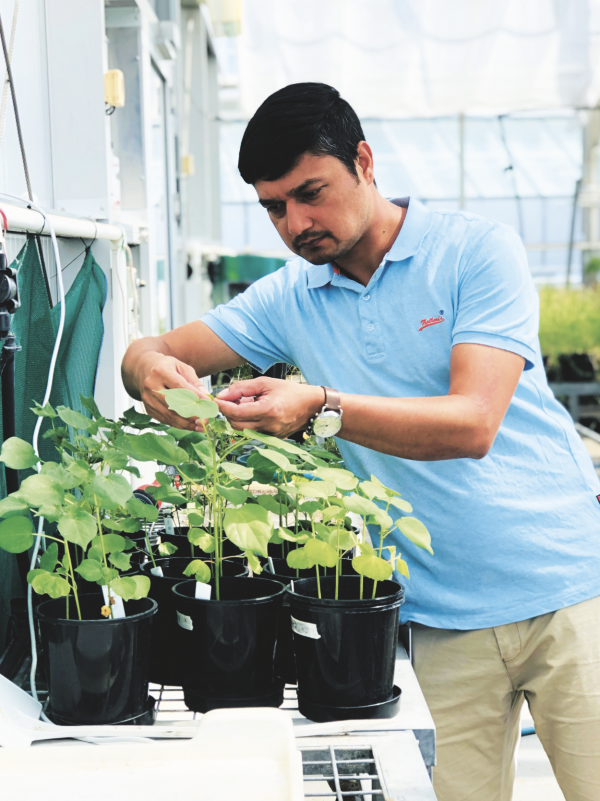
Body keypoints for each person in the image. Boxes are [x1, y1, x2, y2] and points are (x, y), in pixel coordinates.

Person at [122, 83, 600, 801]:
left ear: (365, 161)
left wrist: (320, 407)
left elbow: (473, 422)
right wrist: (147, 369)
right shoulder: (292, 296)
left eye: (310, 192)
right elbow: (151, 346)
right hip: (435, 622)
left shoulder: (473, 251)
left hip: (567, 595)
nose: (296, 222)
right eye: (274, 207)